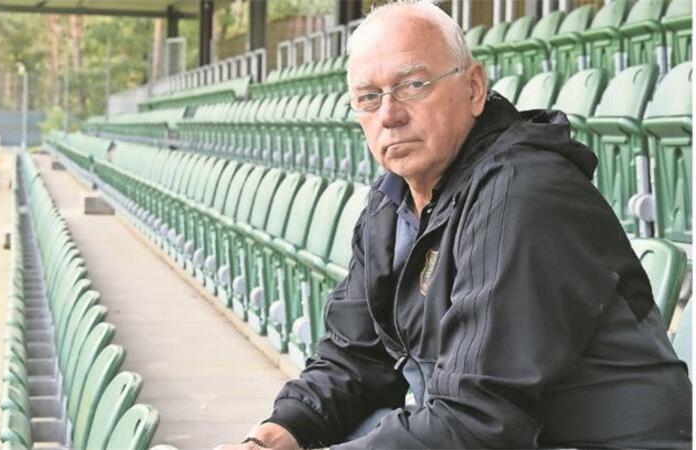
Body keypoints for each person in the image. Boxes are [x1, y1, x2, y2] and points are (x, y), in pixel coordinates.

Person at [215, 1, 692, 448]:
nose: (390, 114)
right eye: (368, 97)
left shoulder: (524, 192)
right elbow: (355, 357)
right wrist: (281, 430)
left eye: (413, 85)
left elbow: (478, 418)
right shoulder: (392, 201)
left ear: (474, 88)